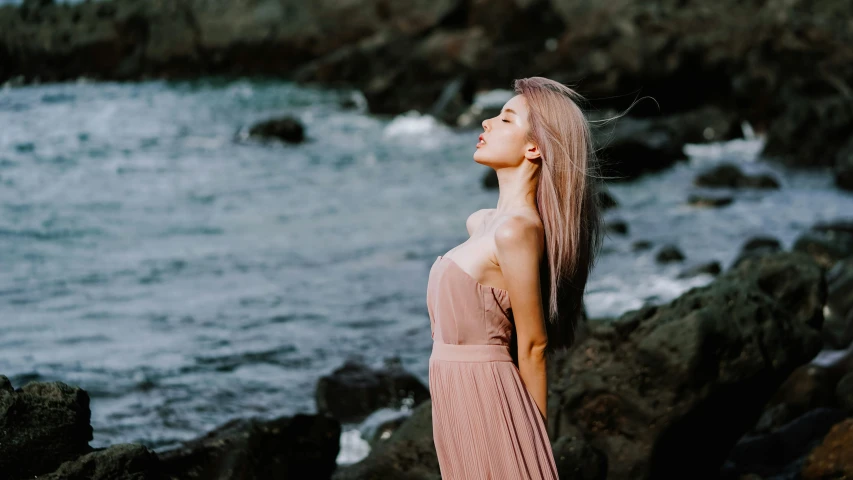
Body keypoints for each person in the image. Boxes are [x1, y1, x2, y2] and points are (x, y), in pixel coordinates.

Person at [426, 76, 604, 479]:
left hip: (490, 400)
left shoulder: (517, 231)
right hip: (455, 399)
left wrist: (533, 443)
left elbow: (535, 345)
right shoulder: (484, 223)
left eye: (506, 119)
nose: (486, 123)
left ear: (534, 147)